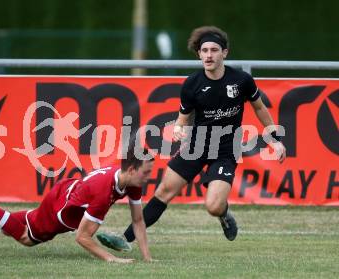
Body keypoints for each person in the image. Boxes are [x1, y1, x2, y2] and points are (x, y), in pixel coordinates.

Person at [97, 25, 286, 251]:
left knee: (213, 206)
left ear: (224, 53)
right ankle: (125, 239)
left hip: (226, 149)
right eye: (204, 50)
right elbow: (183, 118)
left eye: (214, 50)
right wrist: (178, 128)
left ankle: (224, 214)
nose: (209, 55)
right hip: (196, 146)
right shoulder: (192, 84)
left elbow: (260, 109)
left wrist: (274, 138)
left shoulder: (241, 80)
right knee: (163, 192)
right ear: (199, 54)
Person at [0, 146, 155, 263]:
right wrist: (112, 259)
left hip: (67, 192)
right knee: (26, 238)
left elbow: (138, 220)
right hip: (61, 210)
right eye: (146, 172)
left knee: (15, 227)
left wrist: (147, 258)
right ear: (130, 170)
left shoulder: (131, 182)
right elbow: (82, 237)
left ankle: (12, 220)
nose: (149, 177)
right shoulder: (103, 194)